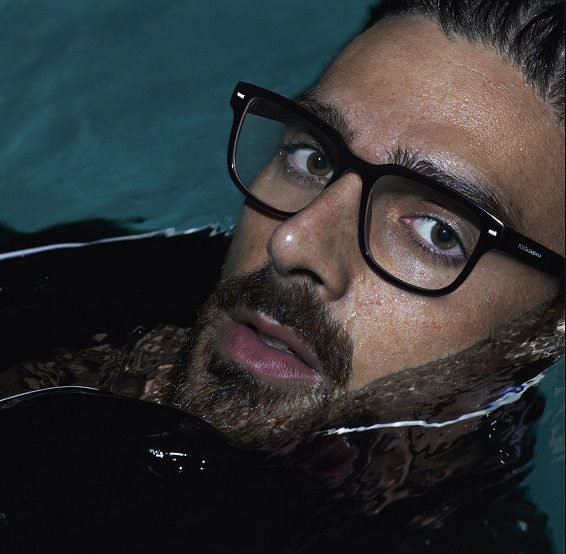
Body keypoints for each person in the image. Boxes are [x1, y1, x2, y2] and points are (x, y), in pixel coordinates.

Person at [0, 0, 563, 552]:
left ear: (551, 326)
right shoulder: (58, 288)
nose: (292, 240)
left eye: (438, 231)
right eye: (313, 157)